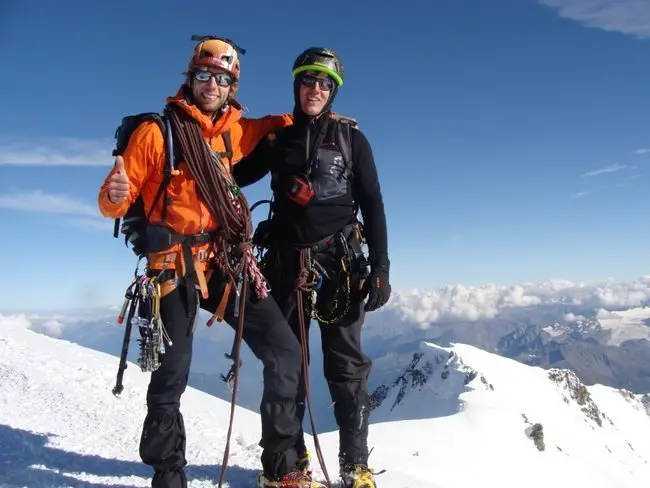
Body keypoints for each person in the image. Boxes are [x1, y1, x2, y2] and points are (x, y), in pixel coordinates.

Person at [98, 36, 327, 488]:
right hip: (172, 264)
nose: (211, 84)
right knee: (173, 371)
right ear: (191, 77)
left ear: (232, 85)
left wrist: (323, 120)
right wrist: (114, 196)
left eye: (221, 78)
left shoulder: (235, 131)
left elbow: (281, 122)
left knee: (284, 350)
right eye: (204, 75)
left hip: (222, 260)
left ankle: (281, 468)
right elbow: (112, 201)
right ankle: (168, 474)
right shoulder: (155, 133)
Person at [232, 47, 392, 488]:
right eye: (308, 80)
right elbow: (234, 175)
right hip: (286, 264)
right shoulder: (276, 140)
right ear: (296, 85)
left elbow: (373, 202)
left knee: (345, 366)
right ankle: (286, 468)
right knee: (287, 366)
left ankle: (354, 467)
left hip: (340, 265)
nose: (315, 89)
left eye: (324, 83)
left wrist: (380, 265)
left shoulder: (352, 140)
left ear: (334, 90)